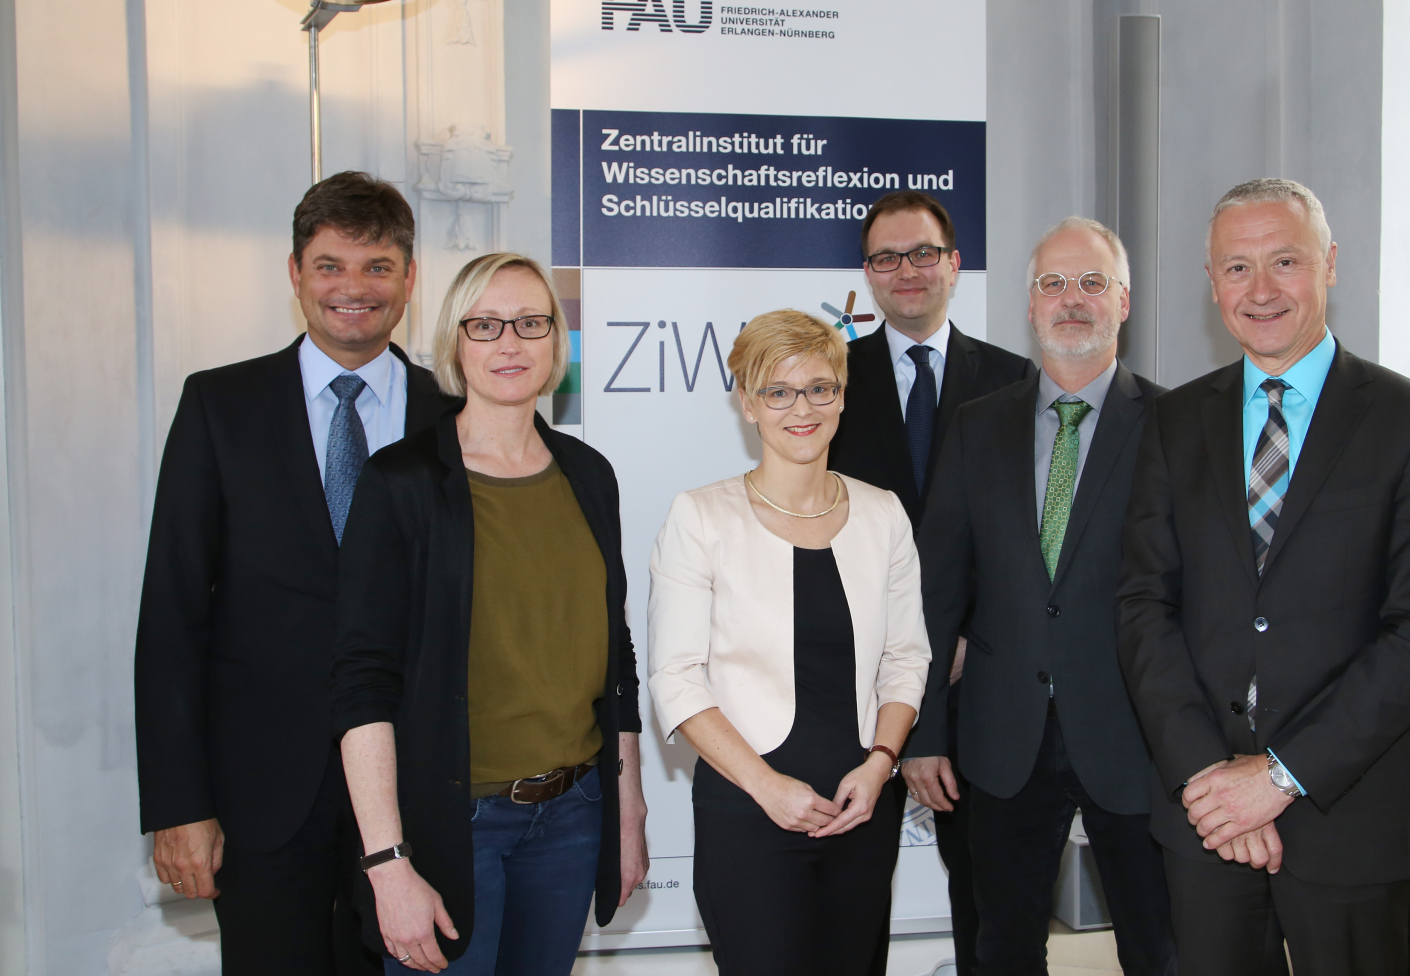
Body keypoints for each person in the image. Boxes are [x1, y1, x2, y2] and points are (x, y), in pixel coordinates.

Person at [1116, 179, 1410, 976]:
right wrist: (1210, 777)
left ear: (1329, 265)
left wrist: (1277, 777)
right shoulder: (1173, 422)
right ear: (1211, 284)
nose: (1262, 289)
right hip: (1204, 817)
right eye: (1237, 268)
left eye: (1285, 260)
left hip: (1351, 815)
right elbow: (1144, 604)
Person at [134, 172, 449, 975]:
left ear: (410, 278)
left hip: (423, 794)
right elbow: (173, 615)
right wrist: (180, 806)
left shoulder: (454, 416)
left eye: (377, 266)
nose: (354, 288)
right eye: (330, 265)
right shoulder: (220, 406)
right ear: (295, 273)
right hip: (263, 799)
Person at [331, 253, 648, 975]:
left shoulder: (589, 475)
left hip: (572, 816)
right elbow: (361, 684)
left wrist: (627, 807)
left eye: (531, 322)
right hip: (452, 826)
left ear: (556, 342)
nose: (510, 342)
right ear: (454, 343)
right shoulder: (400, 484)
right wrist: (386, 861)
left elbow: (616, 655)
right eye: (486, 324)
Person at [902, 219, 1176, 976]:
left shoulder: (1177, 427)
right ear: (1030, 304)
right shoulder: (975, 426)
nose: (1071, 299)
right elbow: (936, 589)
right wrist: (923, 730)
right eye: (1053, 283)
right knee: (1003, 948)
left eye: (1092, 282)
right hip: (1001, 735)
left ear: (1124, 300)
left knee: (1160, 944)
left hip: (1136, 735)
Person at [648, 309, 931, 976]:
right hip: (749, 812)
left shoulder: (883, 514)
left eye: (820, 387)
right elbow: (677, 677)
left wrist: (882, 763)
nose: (801, 407)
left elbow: (907, 657)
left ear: (841, 395)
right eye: (778, 390)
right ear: (747, 402)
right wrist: (767, 786)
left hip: (861, 810)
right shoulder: (701, 516)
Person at [828, 190, 1029, 974]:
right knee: (853, 898)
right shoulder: (829, 385)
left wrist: (964, 639)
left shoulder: (1017, 381)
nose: (904, 271)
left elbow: (1028, 542)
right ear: (868, 275)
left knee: (990, 898)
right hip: (857, 681)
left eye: (921, 254)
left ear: (953, 263)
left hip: (980, 678)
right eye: (885, 258)